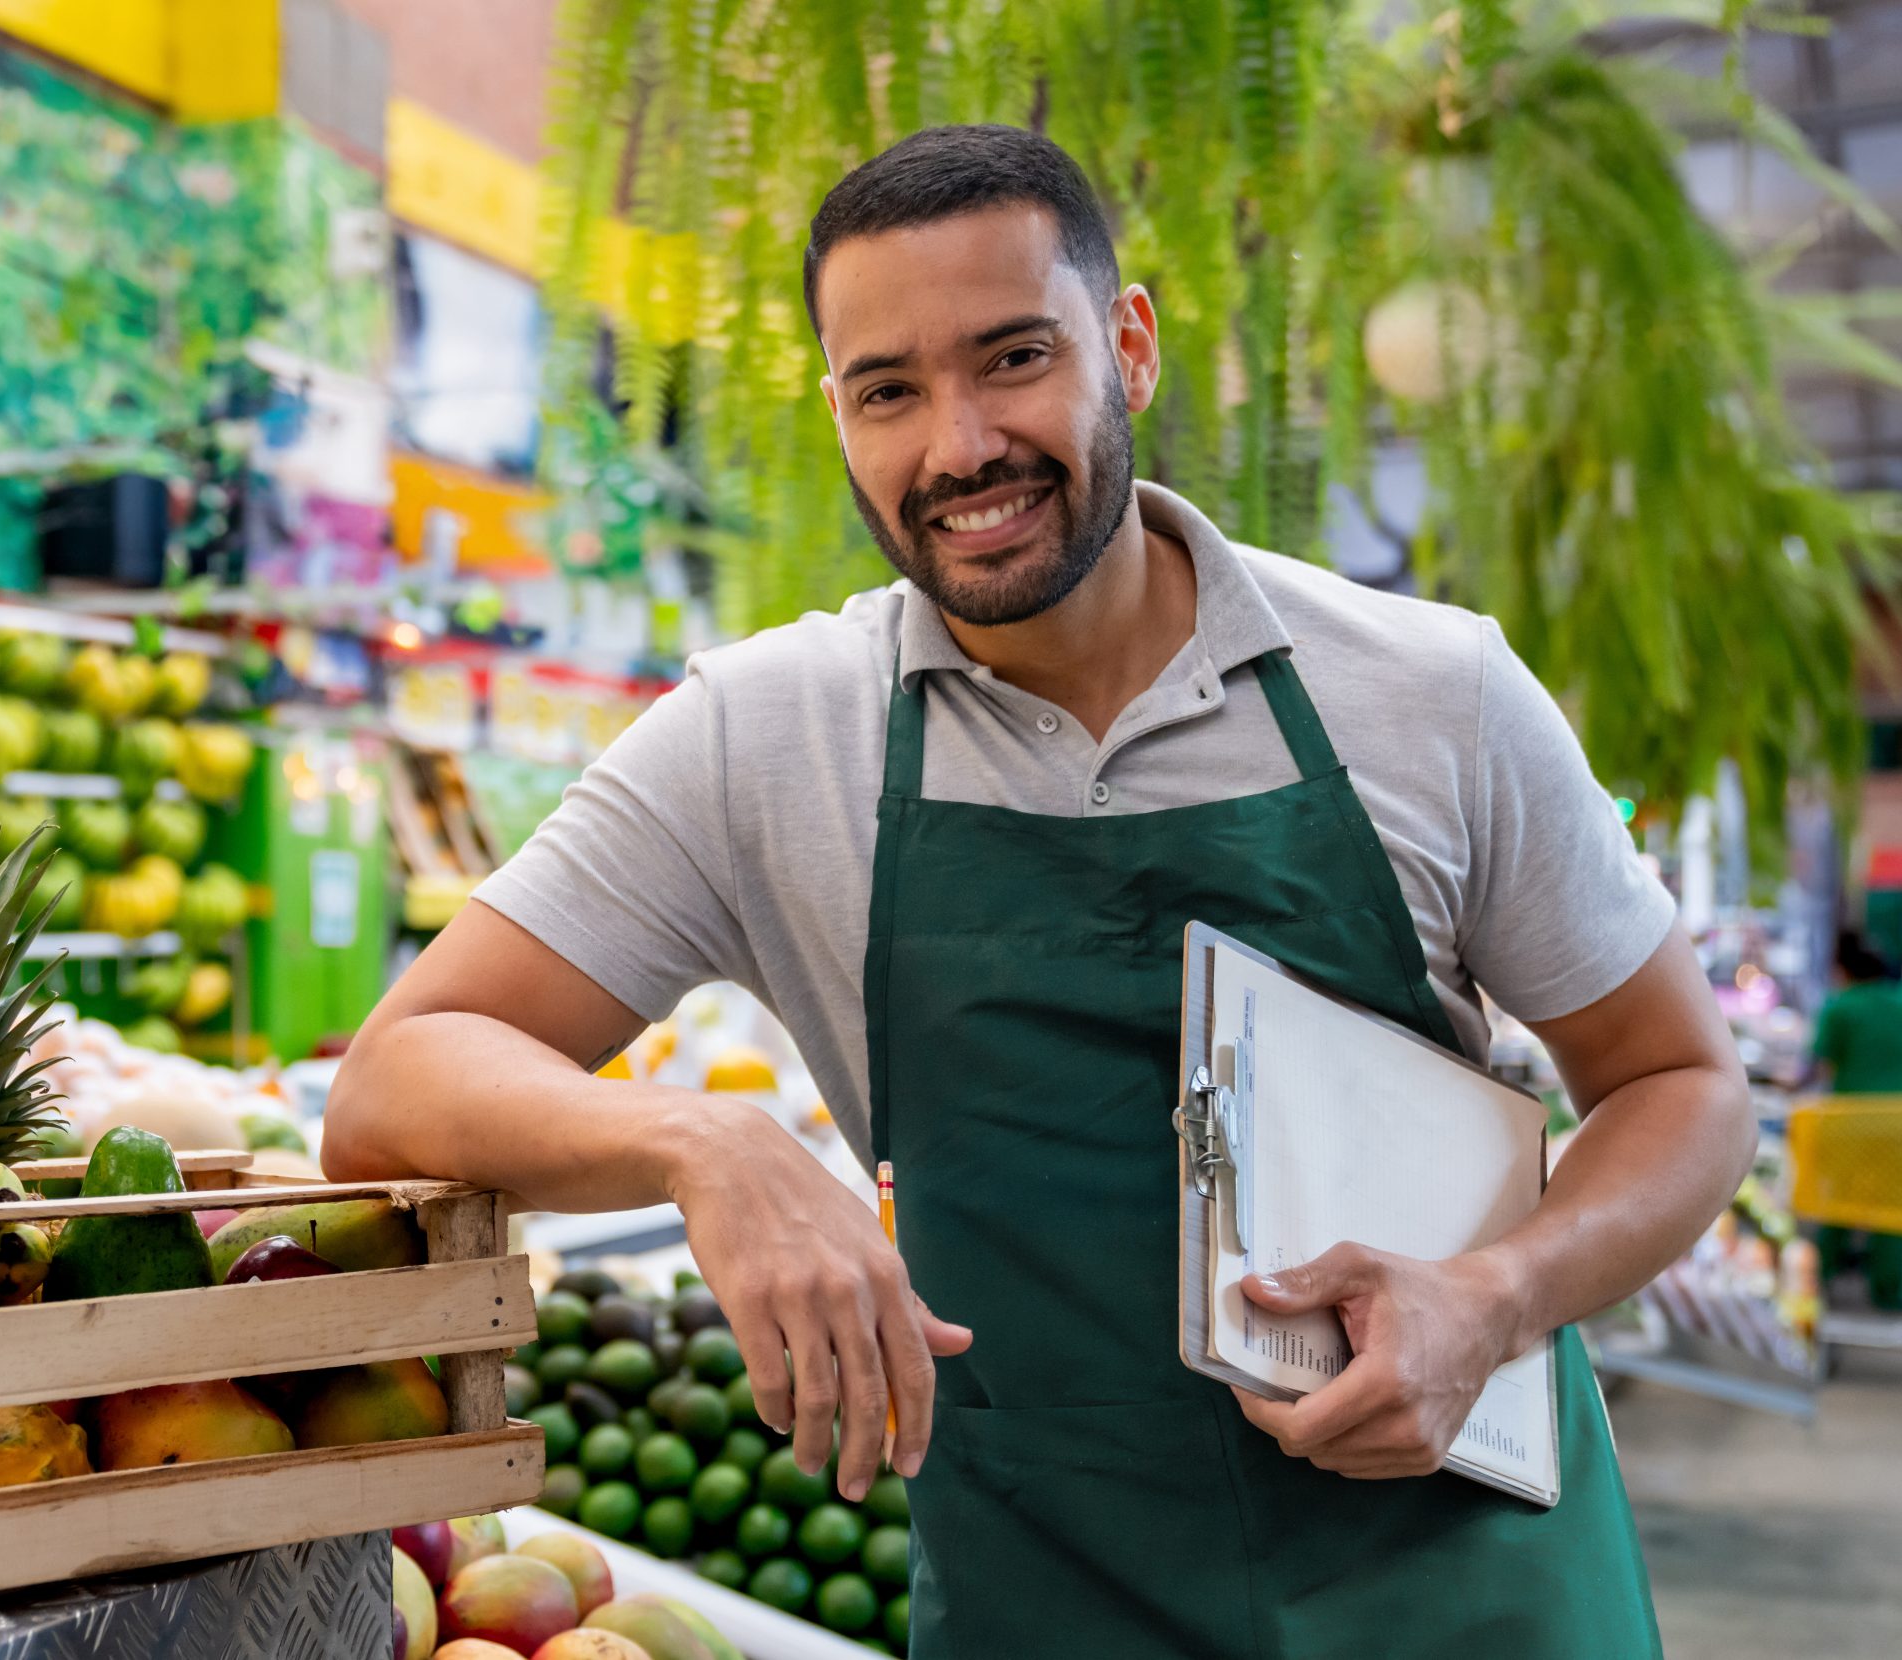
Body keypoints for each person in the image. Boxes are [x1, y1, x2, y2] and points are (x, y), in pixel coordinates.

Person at [325, 126, 1755, 1657]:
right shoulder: (766, 738)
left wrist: (1499, 1295)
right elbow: (397, 1081)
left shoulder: (1429, 692)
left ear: (1127, 347)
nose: (958, 447)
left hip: (1470, 1589)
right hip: (1057, 1598)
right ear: (836, 413)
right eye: (889, 390)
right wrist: (698, 1138)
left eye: (1013, 358)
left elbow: (1682, 1084)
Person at [1813, 929, 1902, 1312]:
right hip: (1898, 1122)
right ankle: (1889, 1292)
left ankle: (1820, 1281)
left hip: (1849, 1122)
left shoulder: (1841, 1006)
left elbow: (1821, 1064)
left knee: (1838, 1203)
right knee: (1894, 1211)